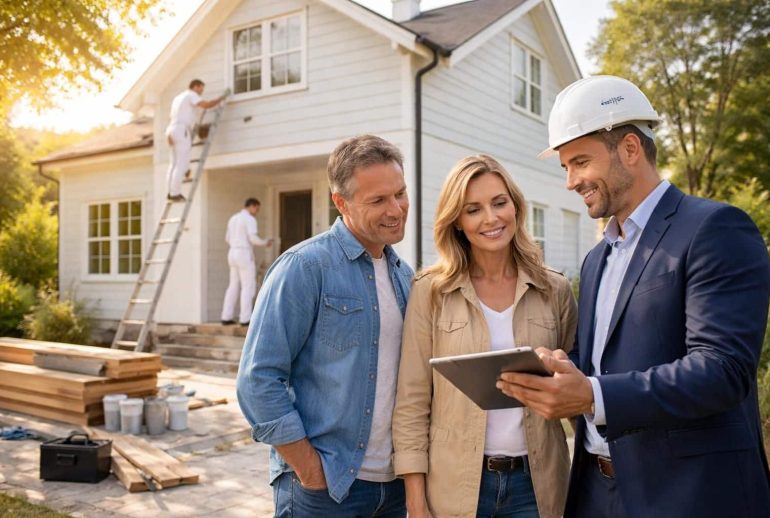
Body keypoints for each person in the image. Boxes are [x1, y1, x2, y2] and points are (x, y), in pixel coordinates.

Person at [497, 75, 770, 518]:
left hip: (687, 497)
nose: (571, 181)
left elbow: (722, 370)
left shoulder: (714, 229)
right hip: (597, 494)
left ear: (629, 149)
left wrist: (592, 395)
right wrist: (562, 370)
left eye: (580, 162)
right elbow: (601, 361)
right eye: (565, 166)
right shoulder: (596, 258)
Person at [236, 135, 414, 517]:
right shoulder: (305, 267)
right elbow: (258, 379)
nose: (396, 209)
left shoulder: (404, 276)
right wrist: (309, 469)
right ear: (341, 202)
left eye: (400, 193)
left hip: (393, 488)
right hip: (325, 490)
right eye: (378, 200)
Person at [392, 155, 577, 518]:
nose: (491, 219)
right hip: (456, 488)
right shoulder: (431, 292)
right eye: (473, 209)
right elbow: (412, 403)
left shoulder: (553, 288)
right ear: (457, 222)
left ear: (515, 206)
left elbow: (577, 392)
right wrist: (415, 501)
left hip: (536, 487)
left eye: (499, 202)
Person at [165, 79, 224, 202]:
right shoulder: (191, 95)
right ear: (196, 87)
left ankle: (170, 192)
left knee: (174, 163)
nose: (201, 92)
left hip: (171, 130)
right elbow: (206, 105)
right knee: (181, 162)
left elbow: (187, 114)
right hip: (182, 130)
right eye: (201, 89)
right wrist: (220, 99)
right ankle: (175, 193)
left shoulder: (178, 98)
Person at [221, 198, 273, 326]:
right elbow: (253, 238)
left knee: (233, 285)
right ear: (252, 206)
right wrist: (265, 242)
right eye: (257, 209)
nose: (257, 212)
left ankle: (226, 316)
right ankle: (245, 318)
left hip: (232, 252)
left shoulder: (233, 218)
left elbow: (227, 238)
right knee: (248, 286)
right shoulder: (249, 219)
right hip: (244, 252)